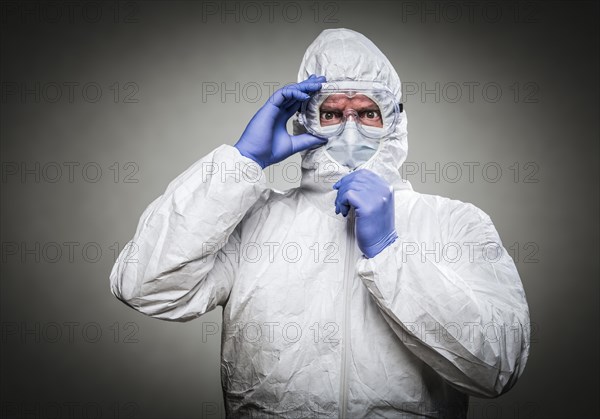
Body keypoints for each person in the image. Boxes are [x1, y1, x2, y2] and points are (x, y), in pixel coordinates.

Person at [110, 28, 530, 418]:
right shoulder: (255, 220)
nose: (350, 130)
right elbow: (147, 287)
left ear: (396, 122)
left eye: (368, 113)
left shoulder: (454, 223)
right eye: (331, 113)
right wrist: (242, 163)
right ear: (304, 121)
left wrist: (389, 251)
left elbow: (497, 368)